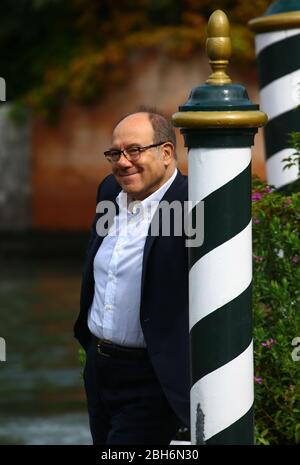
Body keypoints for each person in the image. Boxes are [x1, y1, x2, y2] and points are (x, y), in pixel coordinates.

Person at [74, 109, 190, 445]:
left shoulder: (191, 203)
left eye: (134, 151)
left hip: (152, 376)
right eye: (115, 153)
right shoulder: (109, 190)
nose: (123, 162)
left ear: (166, 153)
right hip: (100, 369)